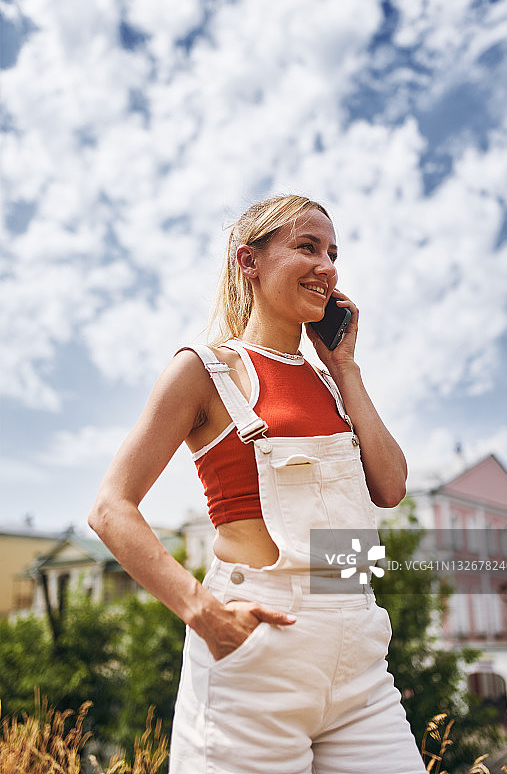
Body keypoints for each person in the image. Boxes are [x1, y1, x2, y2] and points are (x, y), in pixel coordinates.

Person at [89, 195, 427, 773]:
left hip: (359, 653)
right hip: (258, 656)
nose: (328, 266)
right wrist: (204, 612)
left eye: (333, 253)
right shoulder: (204, 369)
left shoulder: (332, 381)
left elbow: (390, 486)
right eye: (307, 247)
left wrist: (346, 368)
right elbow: (110, 508)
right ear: (250, 261)